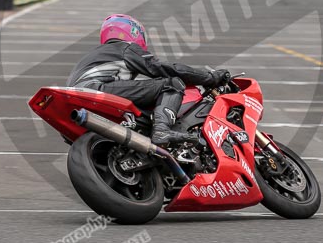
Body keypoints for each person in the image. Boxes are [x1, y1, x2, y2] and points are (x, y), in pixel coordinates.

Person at [67, 14, 230, 146]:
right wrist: (210, 78)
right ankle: (162, 129)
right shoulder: (125, 48)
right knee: (172, 83)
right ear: (134, 32)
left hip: (74, 99)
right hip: (96, 89)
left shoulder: (92, 56)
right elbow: (163, 68)